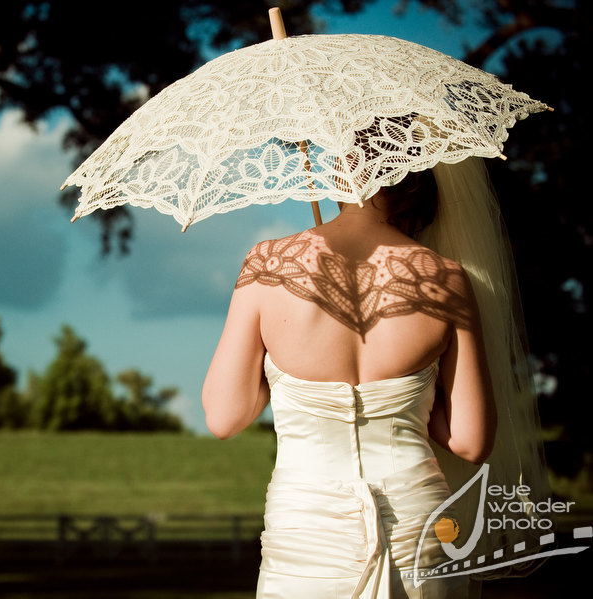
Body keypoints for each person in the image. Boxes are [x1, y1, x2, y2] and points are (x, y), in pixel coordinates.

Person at [202, 157, 548, 599]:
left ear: (341, 169)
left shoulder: (268, 265)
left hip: (307, 531)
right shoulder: (446, 279)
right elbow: (471, 441)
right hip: (419, 528)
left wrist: (281, 373)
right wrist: (411, 401)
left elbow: (224, 418)